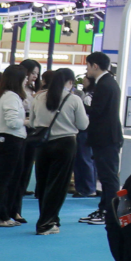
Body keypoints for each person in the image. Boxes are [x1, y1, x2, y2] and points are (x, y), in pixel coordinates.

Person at [27, 68, 89, 234]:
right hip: (65, 144)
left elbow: (32, 122)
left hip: (42, 144)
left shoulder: (39, 97)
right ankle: (46, 223)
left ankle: (50, 218)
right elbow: (83, 125)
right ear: (70, 82)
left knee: (43, 183)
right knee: (58, 185)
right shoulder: (73, 99)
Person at [0, 64, 32, 226]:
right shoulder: (11, 97)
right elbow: (12, 122)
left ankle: (1, 215)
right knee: (6, 181)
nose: (27, 80)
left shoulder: (6, 95)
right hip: (10, 140)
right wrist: (27, 122)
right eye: (25, 77)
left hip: (8, 140)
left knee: (6, 180)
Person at [83, 52, 124, 224]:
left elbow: (97, 111)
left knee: (109, 177)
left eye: (87, 65)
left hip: (106, 137)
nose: (86, 69)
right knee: (106, 176)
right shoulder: (107, 82)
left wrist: (80, 104)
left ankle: (110, 212)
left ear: (95, 66)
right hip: (106, 137)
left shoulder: (105, 84)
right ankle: (104, 209)